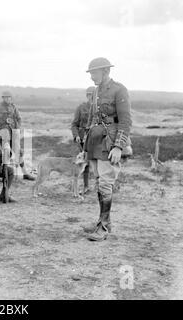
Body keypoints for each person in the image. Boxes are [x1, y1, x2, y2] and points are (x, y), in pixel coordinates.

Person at [83, 57, 132, 241]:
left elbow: (125, 121)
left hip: (109, 142)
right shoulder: (96, 92)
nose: (91, 77)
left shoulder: (119, 90)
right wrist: (85, 145)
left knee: (105, 183)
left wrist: (119, 146)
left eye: (94, 73)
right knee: (99, 182)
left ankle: (103, 228)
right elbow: (92, 118)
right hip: (95, 143)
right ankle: (103, 222)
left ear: (105, 72)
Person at [0, 91, 35, 180]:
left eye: (9, 97)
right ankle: (3, 174)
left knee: (19, 153)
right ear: (2, 98)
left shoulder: (14, 107)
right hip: (3, 135)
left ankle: (25, 173)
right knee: (4, 154)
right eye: (5, 97)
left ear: (11, 98)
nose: (7, 99)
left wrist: (17, 127)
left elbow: (19, 119)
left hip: (13, 134)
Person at [70, 86, 95, 193]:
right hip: (82, 139)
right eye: (89, 95)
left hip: (95, 139)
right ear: (87, 96)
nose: (91, 97)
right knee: (83, 162)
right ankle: (85, 186)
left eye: (93, 95)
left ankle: (102, 186)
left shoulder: (100, 108)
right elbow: (74, 124)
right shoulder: (81, 108)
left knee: (98, 162)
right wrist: (76, 136)